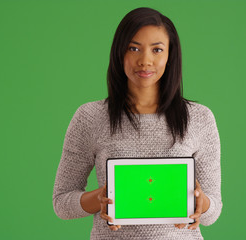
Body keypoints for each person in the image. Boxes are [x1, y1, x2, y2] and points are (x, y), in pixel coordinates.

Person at [52, 7, 222, 239]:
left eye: (157, 50)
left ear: (170, 56)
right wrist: (100, 199)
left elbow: (213, 213)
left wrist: (201, 204)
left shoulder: (199, 118)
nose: (145, 61)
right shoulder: (90, 117)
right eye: (134, 48)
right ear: (119, 53)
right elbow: (62, 202)